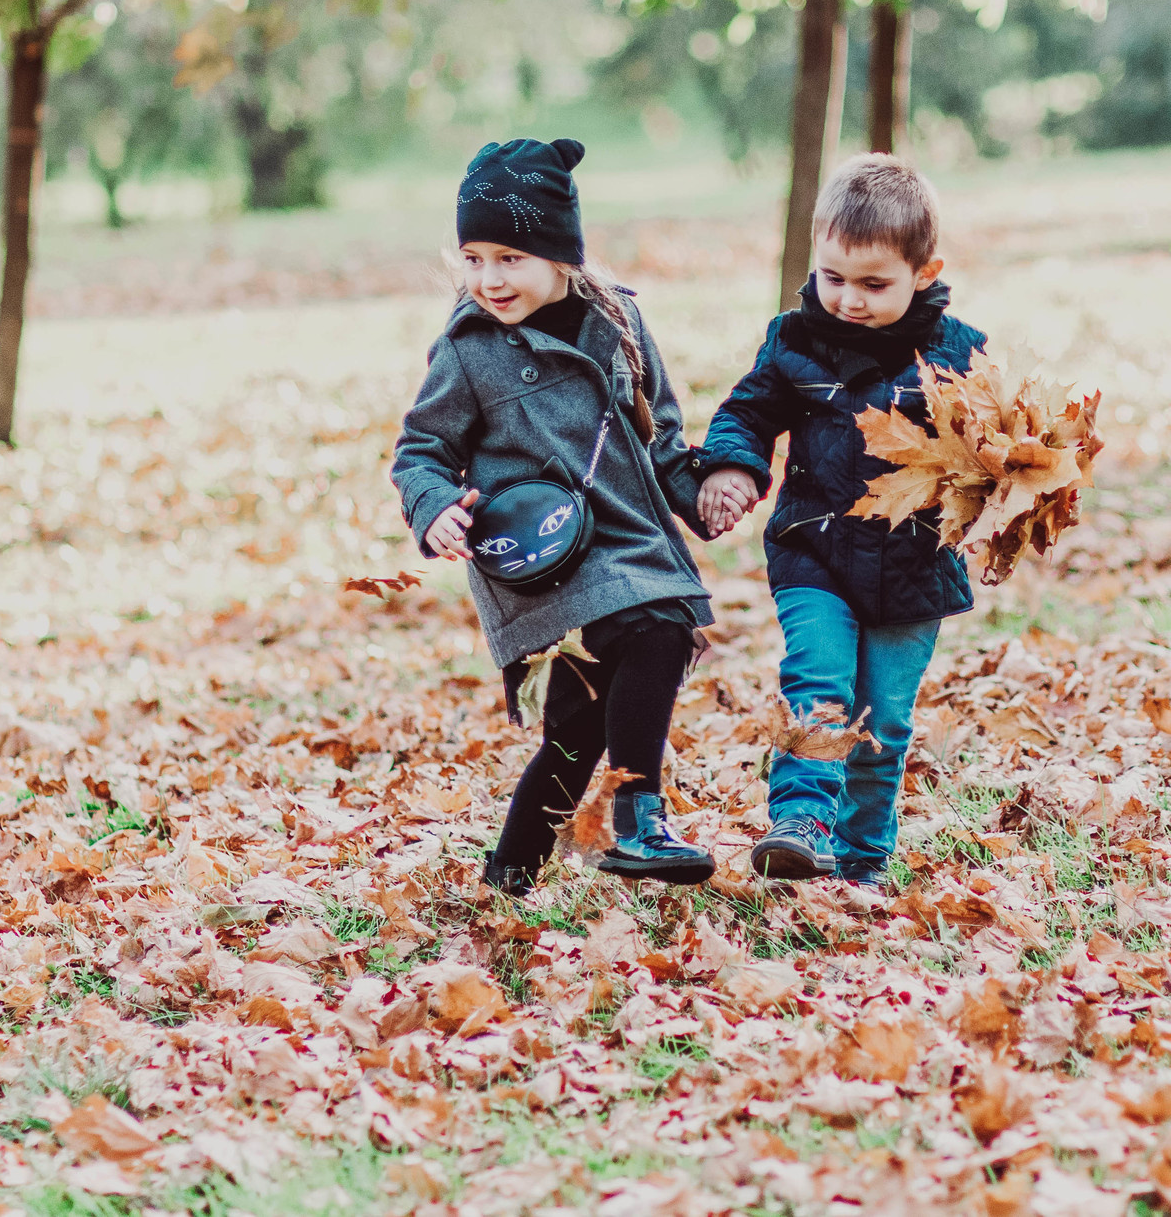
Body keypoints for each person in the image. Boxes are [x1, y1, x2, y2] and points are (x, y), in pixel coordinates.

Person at [393, 137, 720, 896]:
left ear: (560, 252)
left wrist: (702, 491)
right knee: (657, 626)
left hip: (630, 535)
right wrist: (435, 504)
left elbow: (661, 434)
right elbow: (421, 448)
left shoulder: (621, 323)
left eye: (510, 257)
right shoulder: (470, 349)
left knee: (574, 731)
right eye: (474, 257)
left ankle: (509, 875)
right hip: (541, 553)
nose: (489, 277)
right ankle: (642, 819)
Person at [698, 153, 986, 885]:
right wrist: (733, 465)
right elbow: (748, 409)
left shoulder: (959, 352)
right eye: (832, 277)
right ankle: (800, 820)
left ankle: (862, 858)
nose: (849, 299)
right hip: (813, 551)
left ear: (925, 271)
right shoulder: (796, 338)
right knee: (818, 683)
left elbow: (997, 447)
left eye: (873, 283)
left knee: (884, 723)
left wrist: (1009, 484)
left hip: (913, 565)